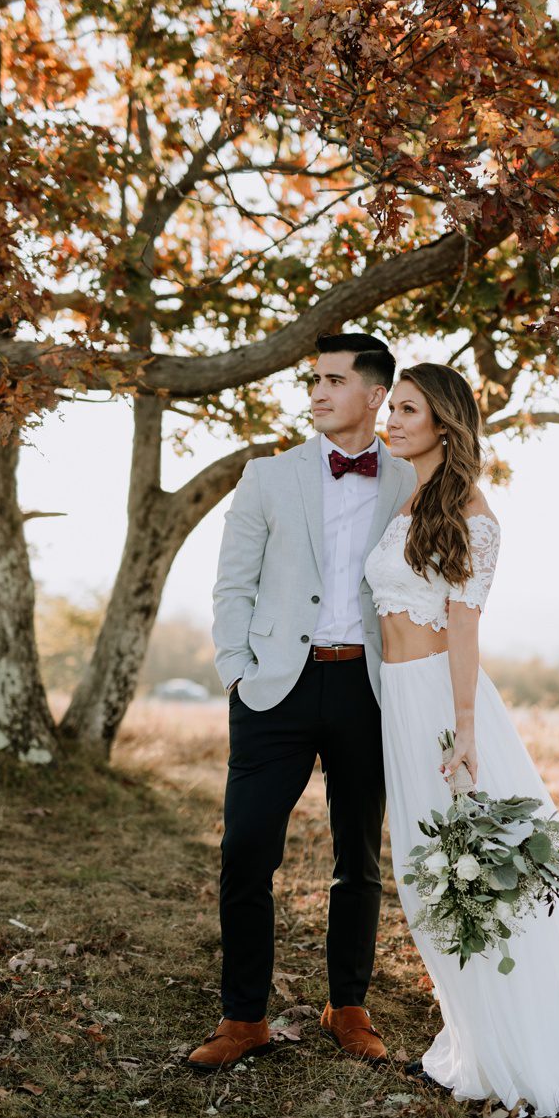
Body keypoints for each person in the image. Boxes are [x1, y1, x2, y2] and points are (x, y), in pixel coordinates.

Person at [366, 361, 559, 1115]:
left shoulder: (473, 517)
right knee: (428, 881)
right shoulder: (408, 496)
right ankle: (468, 1038)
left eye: (408, 410)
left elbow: (463, 630)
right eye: (394, 408)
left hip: (439, 711)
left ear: (445, 423)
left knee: (464, 877)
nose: (393, 420)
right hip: (397, 702)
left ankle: (511, 1053)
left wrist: (466, 734)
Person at [190, 333, 414, 1071]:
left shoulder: (411, 481)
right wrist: (235, 672)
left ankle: (347, 1005)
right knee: (247, 850)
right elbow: (232, 584)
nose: (316, 392)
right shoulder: (267, 476)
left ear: (375, 395)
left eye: (333, 380)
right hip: (273, 689)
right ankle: (242, 1017)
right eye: (313, 380)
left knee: (360, 857)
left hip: (369, 690)